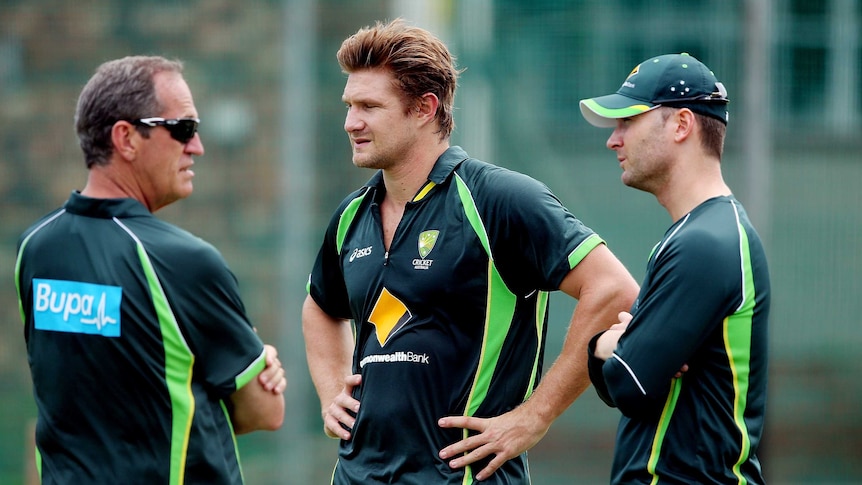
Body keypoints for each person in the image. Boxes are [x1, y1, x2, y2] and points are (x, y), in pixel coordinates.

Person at [302, 19, 639, 484]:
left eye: (369, 106)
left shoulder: (499, 199)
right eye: (349, 105)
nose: (350, 122)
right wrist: (331, 390)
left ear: (424, 109)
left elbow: (613, 289)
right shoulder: (350, 217)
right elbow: (321, 307)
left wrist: (534, 416)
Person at [14, 55, 286, 485]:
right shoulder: (184, 262)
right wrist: (261, 361)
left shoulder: (36, 247)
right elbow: (265, 411)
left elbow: (90, 393)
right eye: (183, 129)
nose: (196, 146)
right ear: (126, 138)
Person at [580, 53, 771, 484]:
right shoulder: (698, 233)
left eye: (628, 120)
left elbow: (629, 383)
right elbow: (624, 376)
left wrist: (616, 348)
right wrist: (607, 347)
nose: (614, 139)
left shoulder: (705, 243)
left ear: (682, 125)